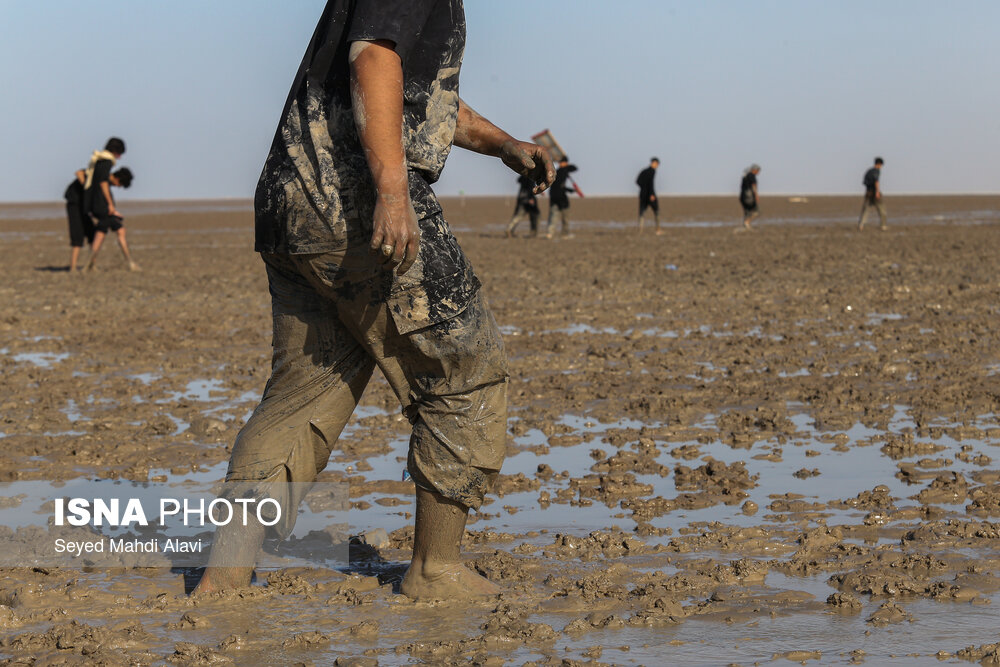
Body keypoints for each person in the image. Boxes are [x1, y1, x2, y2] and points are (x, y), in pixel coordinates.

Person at [193, 0, 555, 601]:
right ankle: (435, 569)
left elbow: (416, 100)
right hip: (353, 203)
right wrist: (392, 191)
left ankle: (222, 581)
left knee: (300, 396)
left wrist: (504, 145)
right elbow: (375, 62)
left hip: (293, 208)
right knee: (463, 370)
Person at [82, 137, 139, 271]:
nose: (119, 157)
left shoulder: (98, 161)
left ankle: (91, 264)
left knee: (107, 231)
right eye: (119, 154)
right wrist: (110, 206)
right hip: (100, 205)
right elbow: (103, 184)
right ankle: (129, 263)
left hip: (96, 204)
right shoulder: (106, 163)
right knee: (106, 233)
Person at [64, 169, 94, 272]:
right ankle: (73, 266)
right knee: (77, 235)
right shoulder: (93, 171)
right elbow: (79, 173)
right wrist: (86, 187)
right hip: (75, 204)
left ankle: (92, 265)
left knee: (92, 235)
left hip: (84, 207)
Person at [545, 156, 578, 238]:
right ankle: (565, 233)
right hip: (560, 197)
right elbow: (574, 168)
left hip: (553, 195)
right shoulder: (563, 171)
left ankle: (550, 233)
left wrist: (572, 190)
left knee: (553, 215)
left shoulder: (556, 171)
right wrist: (572, 190)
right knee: (564, 216)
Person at [858, 157, 887, 231]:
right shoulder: (876, 171)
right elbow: (876, 181)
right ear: (879, 164)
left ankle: (861, 224)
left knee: (866, 209)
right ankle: (883, 225)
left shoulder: (868, 171)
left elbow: (864, 182)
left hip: (868, 192)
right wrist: (877, 192)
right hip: (874, 192)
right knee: (882, 209)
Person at [636, 157, 660, 234]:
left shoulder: (644, 171)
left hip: (643, 194)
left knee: (642, 212)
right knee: (656, 211)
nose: (656, 166)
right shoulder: (652, 171)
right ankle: (657, 229)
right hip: (649, 195)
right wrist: (651, 194)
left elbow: (638, 181)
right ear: (653, 163)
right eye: (656, 164)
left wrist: (643, 188)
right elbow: (651, 184)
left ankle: (640, 230)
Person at [739, 164, 761, 229]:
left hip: (742, 196)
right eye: (758, 171)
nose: (758, 172)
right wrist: (756, 195)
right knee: (756, 211)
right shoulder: (752, 176)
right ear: (754, 170)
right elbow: (753, 186)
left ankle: (745, 225)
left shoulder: (745, 176)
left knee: (747, 211)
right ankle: (747, 222)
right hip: (749, 196)